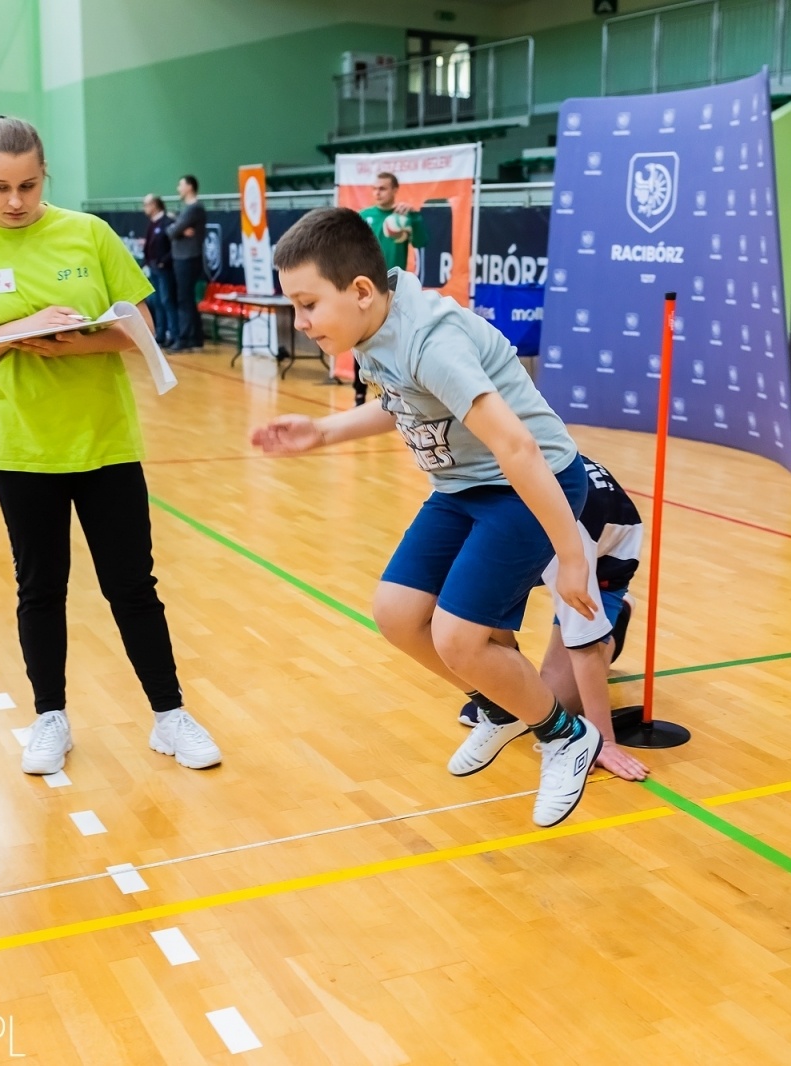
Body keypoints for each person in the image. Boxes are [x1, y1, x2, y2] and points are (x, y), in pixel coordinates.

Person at [251, 207, 602, 828]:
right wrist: (323, 431)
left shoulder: (430, 340)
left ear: (360, 291)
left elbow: (516, 446)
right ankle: (500, 707)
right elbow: (404, 405)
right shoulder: (372, 328)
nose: (301, 324)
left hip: (527, 483)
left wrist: (571, 555)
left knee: (457, 637)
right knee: (396, 614)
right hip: (464, 486)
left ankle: (564, 734)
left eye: (308, 306)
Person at [0, 115, 221, 778]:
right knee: (40, 588)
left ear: (44, 173)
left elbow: (141, 325)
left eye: (28, 184)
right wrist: (14, 331)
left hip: (106, 440)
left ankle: (170, 716)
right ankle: (50, 716)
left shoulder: (89, 233)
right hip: (21, 448)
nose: (16, 199)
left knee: (132, 585)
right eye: (0, 186)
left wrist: (75, 340)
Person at [455, 456, 649, 782]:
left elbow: (582, 643)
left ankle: (615, 619)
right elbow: (487, 609)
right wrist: (502, 692)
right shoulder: (483, 498)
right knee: (521, 699)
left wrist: (603, 741)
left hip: (606, 557)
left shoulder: (567, 536)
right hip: (541, 535)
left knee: (556, 702)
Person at [355, 173, 427, 406]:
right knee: (360, 336)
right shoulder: (364, 217)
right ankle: (360, 393)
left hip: (393, 288)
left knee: (395, 338)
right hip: (366, 287)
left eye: (383, 188)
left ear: (395, 190)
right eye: (375, 188)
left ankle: (397, 392)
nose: (377, 192)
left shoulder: (404, 218)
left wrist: (414, 218)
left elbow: (423, 242)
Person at [166, 175, 205, 352]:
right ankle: (195, 337)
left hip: (187, 258)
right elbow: (177, 228)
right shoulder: (189, 210)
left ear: (189, 187)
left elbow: (172, 232)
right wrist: (179, 227)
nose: (178, 189)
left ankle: (185, 338)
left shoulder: (193, 208)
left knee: (184, 298)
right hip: (185, 257)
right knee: (187, 298)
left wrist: (177, 227)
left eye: (180, 185)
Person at [142, 194, 177, 349]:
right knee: (156, 303)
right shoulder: (151, 224)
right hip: (153, 269)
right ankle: (160, 334)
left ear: (154, 205)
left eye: (146, 205)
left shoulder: (168, 223)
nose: (144, 209)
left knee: (167, 301)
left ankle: (173, 335)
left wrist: (163, 262)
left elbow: (173, 247)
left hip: (164, 270)